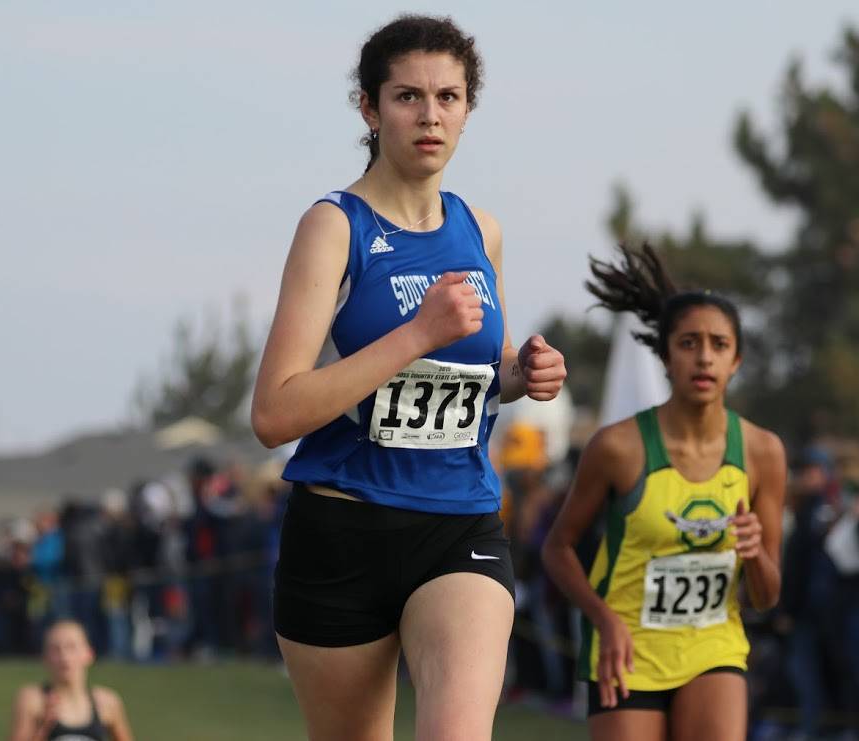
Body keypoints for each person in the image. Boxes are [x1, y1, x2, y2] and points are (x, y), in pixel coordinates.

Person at [250, 14, 567, 740]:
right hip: (342, 533)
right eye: (407, 96)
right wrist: (416, 334)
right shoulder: (335, 226)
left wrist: (524, 373)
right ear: (369, 108)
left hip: (459, 525)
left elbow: (482, 371)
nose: (430, 115)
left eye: (447, 97)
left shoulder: (479, 229)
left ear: (467, 110)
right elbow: (273, 413)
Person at [540, 245, 786, 740]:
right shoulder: (617, 447)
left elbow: (765, 597)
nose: (704, 357)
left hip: (713, 647)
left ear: (736, 360)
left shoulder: (762, 452)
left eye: (719, 344)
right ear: (666, 356)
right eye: (689, 343)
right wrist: (603, 620)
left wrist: (755, 553)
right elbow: (557, 548)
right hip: (628, 648)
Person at [9, 620, 133, 741]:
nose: (64, 656)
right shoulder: (33, 700)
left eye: (71, 647)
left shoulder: (106, 703)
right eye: (55, 649)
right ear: (45, 657)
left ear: (89, 653)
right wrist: (43, 729)